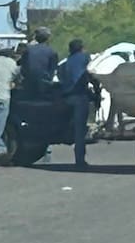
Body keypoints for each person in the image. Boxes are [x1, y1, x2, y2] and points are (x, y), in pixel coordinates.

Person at [59, 39, 98, 169]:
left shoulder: (66, 62)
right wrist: (96, 93)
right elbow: (91, 74)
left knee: (73, 126)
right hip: (80, 96)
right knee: (80, 129)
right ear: (82, 48)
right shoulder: (85, 58)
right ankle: (79, 159)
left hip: (66, 97)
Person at [21, 26, 59, 98]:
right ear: (48, 38)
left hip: (28, 85)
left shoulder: (28, 50)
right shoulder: (52, 52)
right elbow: (53, 69)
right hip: (45, 86)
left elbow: (23, 68)